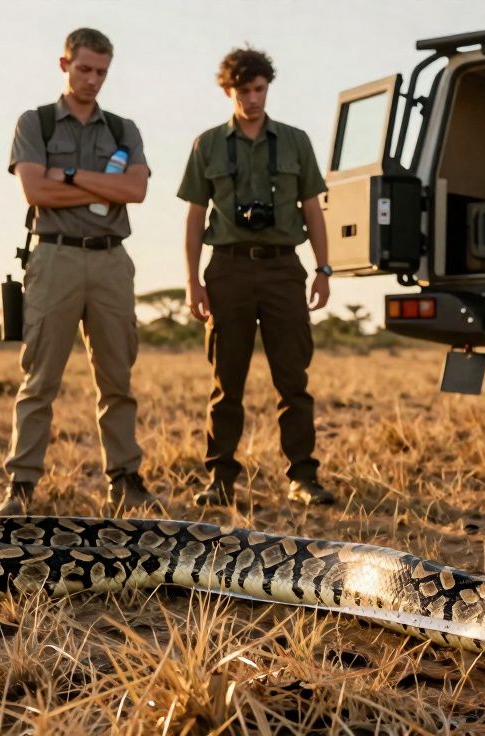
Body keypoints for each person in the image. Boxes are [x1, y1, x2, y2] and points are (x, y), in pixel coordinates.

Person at [0, 28, 160, 514]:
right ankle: (21, 487)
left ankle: (127, 480)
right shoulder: (37, 123)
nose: (93, 79)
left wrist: (64, 175)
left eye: (102, 72)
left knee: (117, 377)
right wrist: (98, 187)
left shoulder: (123, 129)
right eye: (84, 69)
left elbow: (135, 191)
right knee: (40, 378)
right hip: (55, 256)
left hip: (112, 259)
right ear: (64, 63)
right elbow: (35, 193)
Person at [178, 46, 335, 507]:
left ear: (269, 87)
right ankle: (221, 479)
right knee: (227, 380)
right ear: (229, 91)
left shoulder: (295, 141)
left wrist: (324, 269)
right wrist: (192, 280)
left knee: (293, 378)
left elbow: (313, 209)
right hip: (227, 267)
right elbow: (193, 216)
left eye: (260, 89)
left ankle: (303, 477)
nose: (253, 99)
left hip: (283, 266)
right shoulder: (207, 144)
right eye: (244, 91)